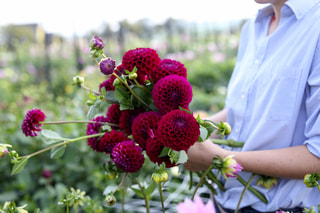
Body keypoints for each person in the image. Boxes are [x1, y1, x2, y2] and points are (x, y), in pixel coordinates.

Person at [184, 0, 320, 212]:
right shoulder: (254, 27)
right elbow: (244, 108)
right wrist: (192, 131)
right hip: (225, 199)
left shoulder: (315, 26)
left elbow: (317, 155)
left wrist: (218, 158)